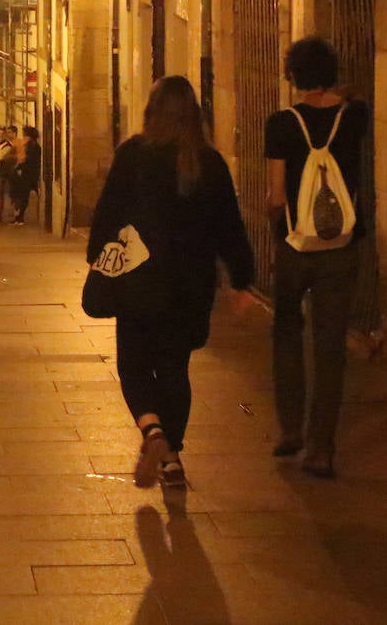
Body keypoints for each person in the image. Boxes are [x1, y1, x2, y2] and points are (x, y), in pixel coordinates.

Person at [88, 76, 254, 490]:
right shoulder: (209, 163)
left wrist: (97, 256)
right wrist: (241, 280)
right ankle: (172, 460)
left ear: (152, 110)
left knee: (133, 365)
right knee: (174, 368)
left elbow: (107, 214)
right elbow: (229, 227)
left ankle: (153, 431)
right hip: (190, 287)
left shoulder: (132, 155)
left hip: (138, 282)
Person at [265, 37, 369, 479]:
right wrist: (339, 93)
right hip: (341, 248)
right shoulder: (355, 117)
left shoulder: (281, 124)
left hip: (295, 246)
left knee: (287, 332)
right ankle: (321, 448)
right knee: (330, 346)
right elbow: (355, 96)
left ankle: (291, 429)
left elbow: (276, 196)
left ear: (293, 76)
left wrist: (279, 226)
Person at [10, 126, 41, 225]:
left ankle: (20, 217)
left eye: (25, 135)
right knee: (23, 195)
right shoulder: (30, 146)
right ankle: (19, 216)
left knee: (23, 195)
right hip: (27, 173)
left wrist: (19, 167)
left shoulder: (33, 147)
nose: (23, 138)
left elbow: (28, 161)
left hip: (28, 174)